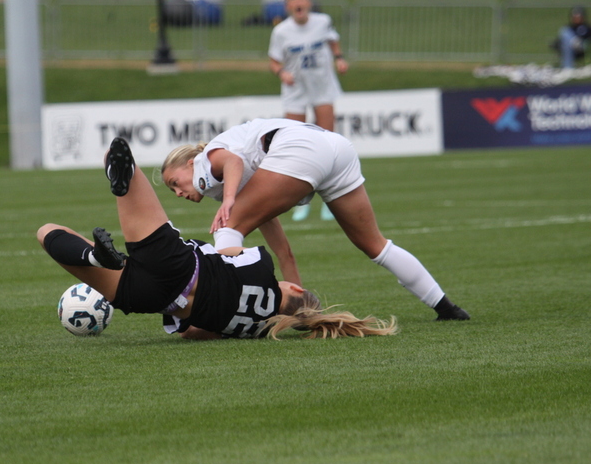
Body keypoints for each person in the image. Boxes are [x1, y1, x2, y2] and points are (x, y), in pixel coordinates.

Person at [37, 137, 397, 340]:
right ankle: (94, 260)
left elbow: (227, 246)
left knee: (117, 155)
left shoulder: (261, 266)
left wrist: (254, 210)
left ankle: (100, 246)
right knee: (49, 234)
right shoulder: (253, 330)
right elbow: (191, 333)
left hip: (179, 266)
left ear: (297, 290)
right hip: (153, 297)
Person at [161, 118, 471, 322]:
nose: (177, 191)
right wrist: (301, 305)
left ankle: (226, 315)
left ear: (190, 163)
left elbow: (232, 161)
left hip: (300, 148)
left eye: (175, 182)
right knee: (375, 245)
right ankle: (446, 308)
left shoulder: (205, 162)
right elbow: (281, 247)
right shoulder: (230, 178)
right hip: (336, 149)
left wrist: (229, 201)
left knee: (228, 227)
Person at [269, 0, 347, 223]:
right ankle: (300, 201)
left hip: (322, 87)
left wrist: (339, 58)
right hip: (296, 91)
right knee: (296, 145)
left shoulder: (322, 21)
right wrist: (282, 73)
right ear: (288, 6)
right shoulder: (281, 31)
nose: (298, 2)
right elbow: (274, 61)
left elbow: (333, 42)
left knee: (327, 142)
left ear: (308, 2)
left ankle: (330, 201)